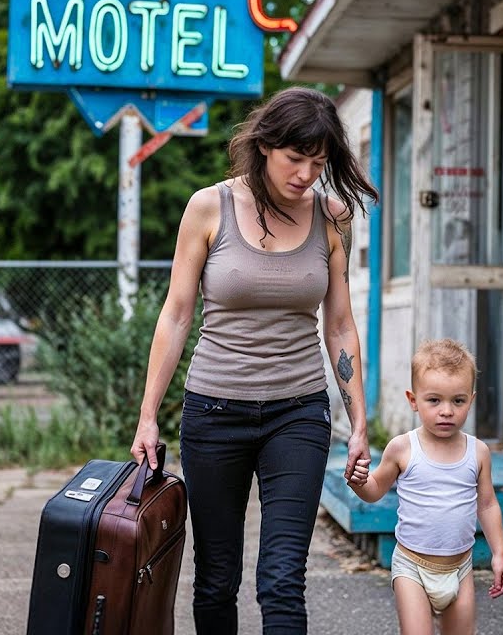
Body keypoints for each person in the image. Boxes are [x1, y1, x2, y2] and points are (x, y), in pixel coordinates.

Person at [130, 86, 379, 634]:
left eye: (318, 163)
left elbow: (339, 324)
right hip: (214, 414)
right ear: (266, 145)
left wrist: (359, 419)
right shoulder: (208, 206)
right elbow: (174, 316)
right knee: (216, 578)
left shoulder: (331, 216)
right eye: (296, 159)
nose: (306, 175)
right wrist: (148, 416)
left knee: (283, 578)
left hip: (299, 413)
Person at [347, 338, 503, 635]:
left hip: (460, 570)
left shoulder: (478, 452)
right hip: (412, 567)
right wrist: (358, 482)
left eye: (457, 401)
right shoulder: (403, 448)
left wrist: (499, 553)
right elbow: (374, 490)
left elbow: (487, 504)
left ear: (470, 401)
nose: (446, 410)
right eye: (434, 400)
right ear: (413, 400)